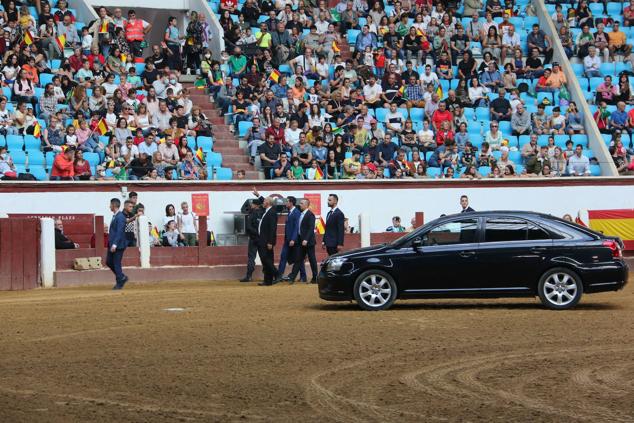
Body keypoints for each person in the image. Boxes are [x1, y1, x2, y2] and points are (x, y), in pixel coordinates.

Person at [286, 198, 318, 284]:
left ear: (307, 205)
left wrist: (306, 239)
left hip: (308, 242)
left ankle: (315, 277)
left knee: (312, 259)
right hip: (301, 241)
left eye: (302, 203)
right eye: (300, 203)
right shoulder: (300, 214)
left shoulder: (310, 215)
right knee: (298, 259)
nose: (300, 205)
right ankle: (292, 278)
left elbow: (311, 228)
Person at [278, 196, 306, 282]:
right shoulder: (290, 212)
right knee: (283, 257)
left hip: (294, 241)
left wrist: (293, 239)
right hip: (288, 240)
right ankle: (279, 275)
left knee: (298, 259)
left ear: (291, 203)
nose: (285, 203)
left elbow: (296, 227)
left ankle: (303, 276)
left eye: (287, 201)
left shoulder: (296, 213)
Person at [256, 194, 279, 286]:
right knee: (266, 260)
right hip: (263, 240)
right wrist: (258, 195)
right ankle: (268, 281)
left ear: (268, 203)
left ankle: (277, 274)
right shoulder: (267, 211)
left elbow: (272, 229)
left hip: (266, 241)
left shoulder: (272, 212)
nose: (263, 202)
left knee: (266, 260)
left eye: (264, 201)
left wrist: (270, 242)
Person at [107, 198, 129, 290]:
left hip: (118, 245)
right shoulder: (116, 216)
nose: (109, 206)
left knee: (116, 263)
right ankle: (121, 277)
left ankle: (119, 282)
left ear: (114, 205)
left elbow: (119, 232)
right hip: (113, 243)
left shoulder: (120, 217)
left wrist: (115, 244)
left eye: (110, 205)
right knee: (109, 262)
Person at [240, 197, 263, 282]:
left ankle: (249, 276)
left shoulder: (252, 214)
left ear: (255, 205)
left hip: (253, 239)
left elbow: (249, 227)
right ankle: (268, 275)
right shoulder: (263, 212)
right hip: (261, 239)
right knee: (264, 257)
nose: (251, 205)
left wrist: (255, 234)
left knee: (251, 257)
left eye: (252, 204)